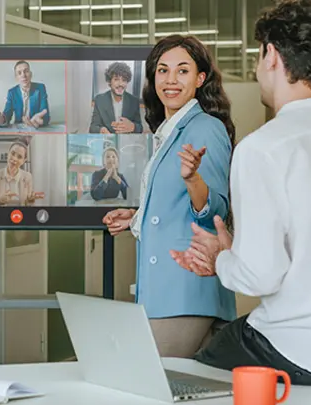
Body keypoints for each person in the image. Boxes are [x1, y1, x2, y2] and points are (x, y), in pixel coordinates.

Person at [171, 0, 311, 386]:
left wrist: (222, 257)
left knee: (190, 375)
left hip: (300, 348)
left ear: (270, 55)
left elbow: (260, 277)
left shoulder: (264, 148)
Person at [102, 34, 237, 358]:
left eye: (182, 71)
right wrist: (138, 217)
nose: (171, 80)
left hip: (186, 287)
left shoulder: (205, 127)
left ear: (200, 78)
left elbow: (216, 210)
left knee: (150, 380)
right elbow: (172, 206)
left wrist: (193, 179)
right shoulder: (170, 129)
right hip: (166, 289)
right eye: (163, 70)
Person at [0, 60, 50, 129]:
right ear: (16, 77)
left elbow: (46, 115)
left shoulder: (40, 88)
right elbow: (7, 115)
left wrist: (40, 121)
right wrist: (1, 120)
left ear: (31, 74)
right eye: (19, 73)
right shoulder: (12, 93)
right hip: (19, 130)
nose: (23, 75)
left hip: (37, 128)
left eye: (26, 71)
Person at [0, 137, 44, 206]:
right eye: (12, 153)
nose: (14, 158)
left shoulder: (28, 177)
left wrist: (31, 199)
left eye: (19, 157)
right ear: (8, 153)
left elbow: (28, 204)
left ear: (23, 161)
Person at [89, 62, 143, 134]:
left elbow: (140, 128)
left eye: (124, 80)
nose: (120, 84)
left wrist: (133, 127)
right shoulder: (100, 100)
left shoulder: (134, 101)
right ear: (109, 81)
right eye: (116, 79)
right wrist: (101, 130)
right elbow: (93, 127)